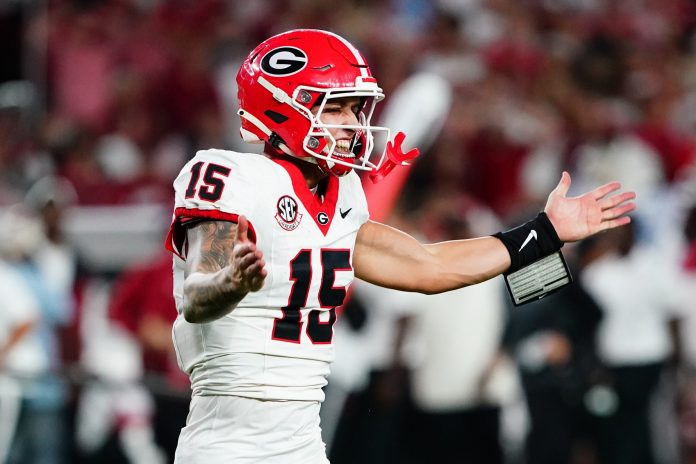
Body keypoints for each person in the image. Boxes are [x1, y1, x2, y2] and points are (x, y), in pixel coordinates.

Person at [164, 29, 636, 463]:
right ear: (284, 105)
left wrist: (544, 232)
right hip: (225, 446)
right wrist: (230, 282)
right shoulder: (233, 176)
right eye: (337, 106)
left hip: (302, 444)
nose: (353, 123)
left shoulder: (341, 193)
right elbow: (198, 294)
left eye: (356, 108)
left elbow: (427, 266)